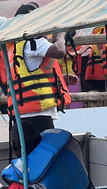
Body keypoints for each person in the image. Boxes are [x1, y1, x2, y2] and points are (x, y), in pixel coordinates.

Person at [7, 2, 73, 133]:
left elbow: (29, 75)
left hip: (23, 114)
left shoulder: (15, 45)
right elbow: (60, 51)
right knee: (45, 152)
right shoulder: (33, 42)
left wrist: (61, 80)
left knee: (28, 152)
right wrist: (60, 35)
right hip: (38, 115)